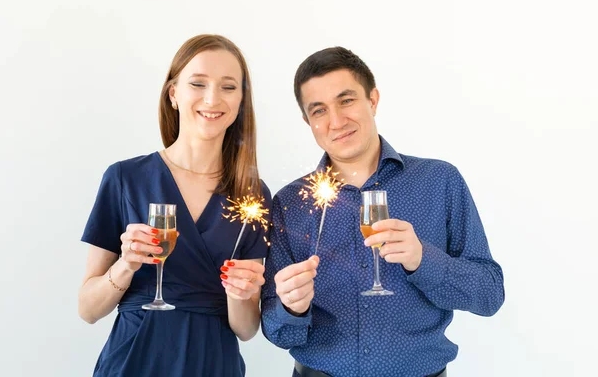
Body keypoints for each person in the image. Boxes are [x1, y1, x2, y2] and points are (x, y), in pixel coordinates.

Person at [261, 47, 505, 377]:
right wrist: (291, 307)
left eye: (346, 101)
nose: (336, 121)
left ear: (372, 100)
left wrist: (423, 259)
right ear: (308, 122)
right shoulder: (290, 203)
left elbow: (489, 295)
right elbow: (278, 332)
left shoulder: (439, 181)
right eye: (319, 111)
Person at [78, 34, 270, 377]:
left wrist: (241, 292)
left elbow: (246, 328)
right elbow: (88, 309)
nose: (212, 98)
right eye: (198, 83)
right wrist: (127, 265)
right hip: (134, 359)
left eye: (229, 87)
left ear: (241, 101)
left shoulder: (252, 195)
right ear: (173, 94)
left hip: (213, 363)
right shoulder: (124, 179)